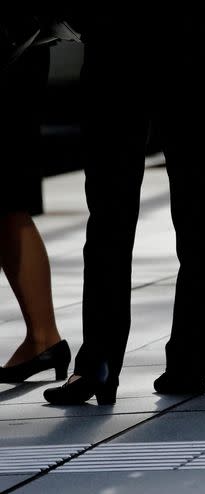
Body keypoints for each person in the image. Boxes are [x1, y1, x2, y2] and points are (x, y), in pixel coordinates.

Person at [44, 0, 205, 405]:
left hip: (115, 32)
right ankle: (189, 361)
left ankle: (98, 362)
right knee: (196, 206)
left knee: (111, 210)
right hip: (181, 31)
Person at [0, 43, 70, 384]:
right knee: (9, 201)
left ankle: (43, 335)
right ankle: (43, 336)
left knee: (8, 199)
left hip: (12, 47)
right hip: (22, 44)